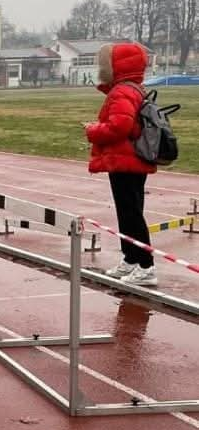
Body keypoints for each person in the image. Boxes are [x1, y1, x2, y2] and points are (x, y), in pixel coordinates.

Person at [84, 40, 156, 286]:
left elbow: (120, 126)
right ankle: (131, 258)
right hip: (127, 159)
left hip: (127, 160)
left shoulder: (123, 91)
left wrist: (93, 130)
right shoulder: (133, 88)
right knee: (127, 213)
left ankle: (146, 266)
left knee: (132, 214)